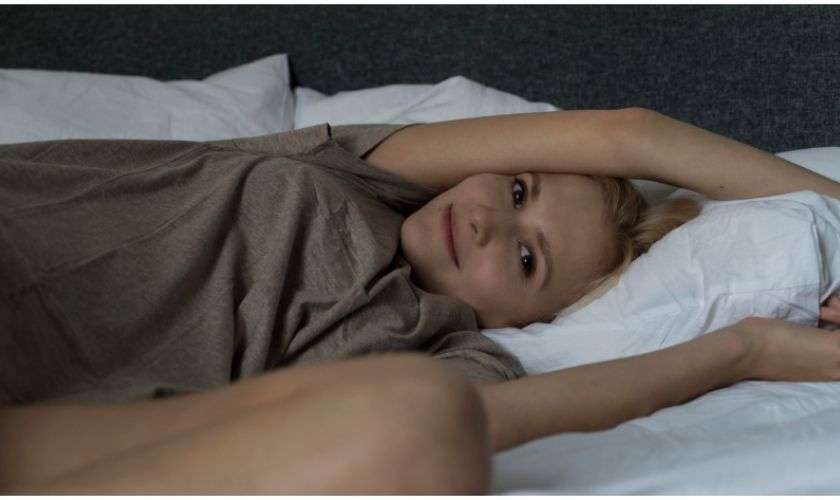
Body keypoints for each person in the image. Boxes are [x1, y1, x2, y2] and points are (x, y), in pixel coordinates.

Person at [2, 108, 840, 493]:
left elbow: (467, 423)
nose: (483, 221)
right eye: (516, 189)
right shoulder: (354, 171)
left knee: (422, 427)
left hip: (35, 406)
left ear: (530, 320)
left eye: (526, 258)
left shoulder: (447, 356)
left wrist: (750, 348)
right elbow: (631, 136)